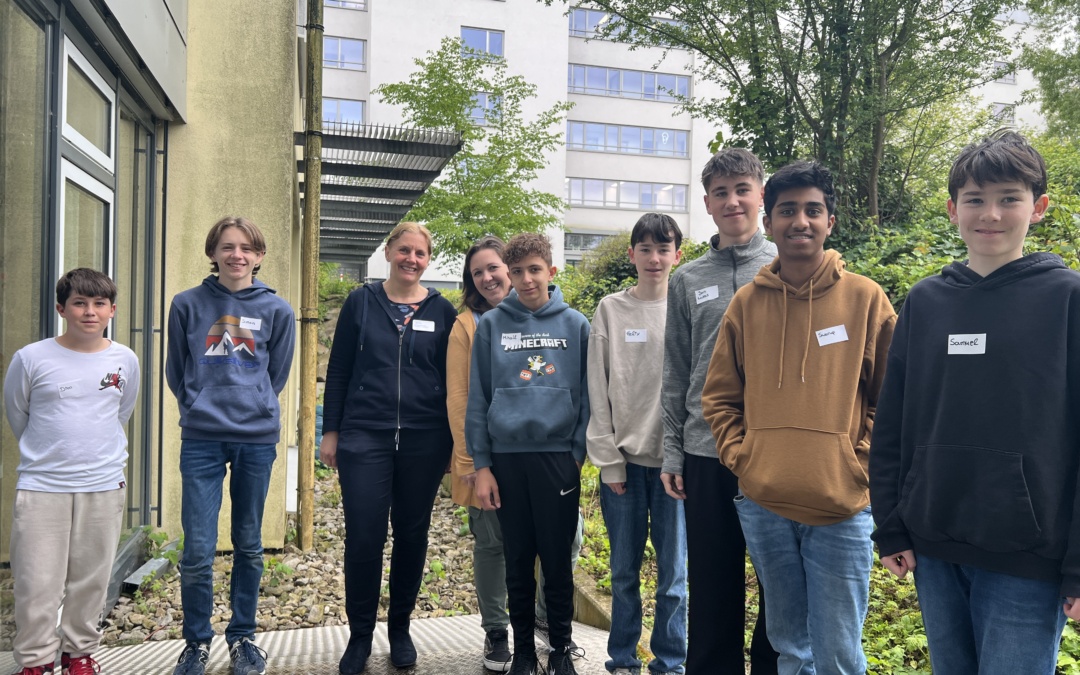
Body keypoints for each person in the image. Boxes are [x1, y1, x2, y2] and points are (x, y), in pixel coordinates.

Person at [869, 130, 1079, 675]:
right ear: (952, 208)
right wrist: (890, 522)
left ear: (1039, 207)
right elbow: (892, 422)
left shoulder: (1067, 300)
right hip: (934, 546)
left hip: (1027, 557)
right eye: (975, 199)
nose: (991, 213)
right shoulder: (925, 301)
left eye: (1009, 197)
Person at [702, 161, 895, 675]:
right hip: (765, 503)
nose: (800, 221)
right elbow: (720, 397)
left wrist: (858, 462)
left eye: (813, 210)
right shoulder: (746, 304)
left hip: (841, 509)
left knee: (838, 654)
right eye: (787, 211)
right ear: (770, 223)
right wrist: (746, 458)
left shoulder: (866, 299)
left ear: (831, 221)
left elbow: (892, 401)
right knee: (789, 646)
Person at [659, 148, 778, 675]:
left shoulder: (788, 263)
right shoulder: (687, 280)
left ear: (761, 196)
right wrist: (672, 452)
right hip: (706, 451)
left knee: (780, 579)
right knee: (712, 580)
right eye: (721, 192)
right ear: (707, 204)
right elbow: (676, 370)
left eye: (742, 189)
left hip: (777, 450)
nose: (733, 201)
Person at [320, 222, 457, 675]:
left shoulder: (443, 309)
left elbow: (454, 377)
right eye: (404, 250)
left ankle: (400, 628)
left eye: (420, 253)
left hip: (426, 436)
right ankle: (360, 636)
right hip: (364, 434)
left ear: (427, 259)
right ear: (388, 251)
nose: (411, 259)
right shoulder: (361, 301)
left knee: (413, 535)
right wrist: (332, 431)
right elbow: (339, 368)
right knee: (364, 536)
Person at [446, 236, 584, 672]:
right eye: (518, 271)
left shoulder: (577, 325)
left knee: (558, 560)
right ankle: (523, 650)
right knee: (518, 558)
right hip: (506, 460)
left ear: (551, 272)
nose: (526, 279)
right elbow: (477, 400)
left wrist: (576, 454)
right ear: (510, 274)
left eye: (534, 270)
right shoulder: (490, 326)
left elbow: (589, 397)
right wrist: (482, 466)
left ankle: (560, 648)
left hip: (558, 458)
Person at [166, 216, 296, 675]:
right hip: (201, 437)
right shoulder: (186, 304)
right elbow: (175, 369)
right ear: (213, 252)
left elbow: (275, 374)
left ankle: (243, 638)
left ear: (259, 256)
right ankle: (196, 642)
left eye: (246, 248)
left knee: (249, 543)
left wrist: (253, 402)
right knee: (198, 548)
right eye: (227, 246)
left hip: (255, 439)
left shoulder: (279, 310)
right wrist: (199, 404)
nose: (236, 255)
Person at [3, 269, 140, 675]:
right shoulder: (31, 358)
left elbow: (121, 412)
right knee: (36, 581)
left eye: (99, 304)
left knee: (91, 579)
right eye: (80, 303)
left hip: (102, 484)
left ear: (112, 310)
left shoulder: (125, 359)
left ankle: (78, 653)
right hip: (43, 486)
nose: (89, 312)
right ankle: (36, 659)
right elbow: (18, 415)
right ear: (62, 308)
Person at [587, 214, 688, 675]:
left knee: (674, 578)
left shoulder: (686, 305)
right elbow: (597, 388)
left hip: (675, 466)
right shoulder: (611, 309)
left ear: (677, 256)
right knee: (624, 572)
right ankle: (622, 659)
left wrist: (683, 457)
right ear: (631, 254)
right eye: (645, 248)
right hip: (623, 464)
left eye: (663, 248)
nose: (654, 258)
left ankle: (669, 662)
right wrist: (607, 460)